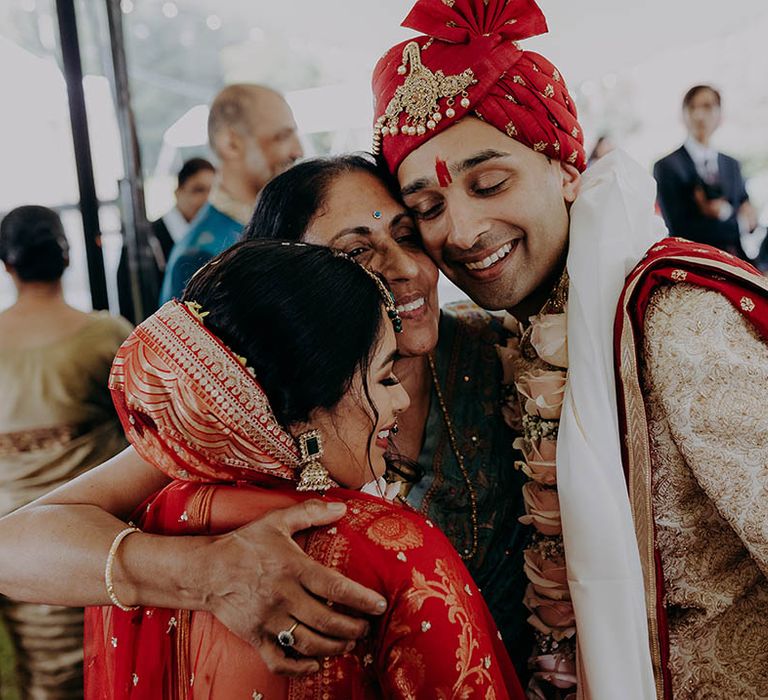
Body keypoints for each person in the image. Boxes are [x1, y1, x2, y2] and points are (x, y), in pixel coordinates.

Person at [371, 0, 768, 698]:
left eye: (490, 182)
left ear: (564, 167)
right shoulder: (505, 340)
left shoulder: (667, 320)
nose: (461, 230)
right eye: (428, 209)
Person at [91, 239, 524, 698]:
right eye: (383, 377)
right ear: (303, 407)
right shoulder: (394, 550)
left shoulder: (141, 522)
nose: (400, 399)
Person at [243, 154, 532, 673]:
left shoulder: (500, 355)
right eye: (356, 253)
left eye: (408, 235)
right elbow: (46, 536)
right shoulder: (260, 402)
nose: (405, 269)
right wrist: (206, 572)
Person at [0, 206, 132, 698]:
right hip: (99, 541)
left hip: (14, 547)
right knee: (112, 669)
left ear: (7, 265)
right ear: (67, 255)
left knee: (45, 680)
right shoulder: (106, 337)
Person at [159, 84, 303, 304]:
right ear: (231, 144)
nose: (298, 151)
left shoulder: (285, 223)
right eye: (282, 137)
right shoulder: (200, 257)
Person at [653, 85, 758, 258]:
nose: (699, 115)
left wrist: (730, 214)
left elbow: (749, 214)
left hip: (739, 260)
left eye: (707, 106)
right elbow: (679, 229)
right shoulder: (666, 166)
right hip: (696, 265)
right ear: (683, 115)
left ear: (720, 115)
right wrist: (739, 224)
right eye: (692, 107)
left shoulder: (732, 165)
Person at [117, 157, 215, 323]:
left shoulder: (211, 238)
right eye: (198, 190)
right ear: (178, 192)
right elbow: (128, 301)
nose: (206, 199)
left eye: (212, 192)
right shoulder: (146, 239)